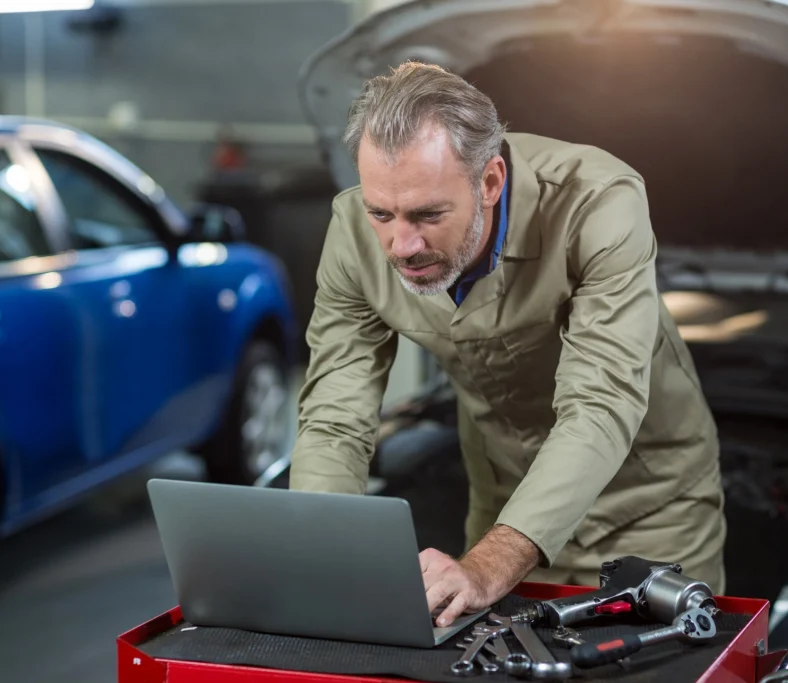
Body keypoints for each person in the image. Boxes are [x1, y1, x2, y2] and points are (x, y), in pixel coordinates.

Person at [288, 61, 726, 628]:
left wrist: (488, 566)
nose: (401, 243)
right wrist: (318, 559)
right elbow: (334, 419)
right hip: (500, 501)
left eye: (428, 214)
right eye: (382, 213)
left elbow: (600, 403)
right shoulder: (352, 230)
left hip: (647, 506)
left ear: (490, 181)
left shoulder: (597, 201)